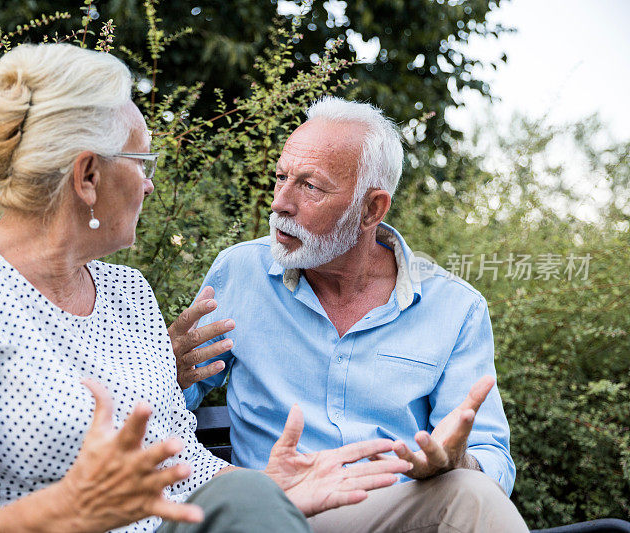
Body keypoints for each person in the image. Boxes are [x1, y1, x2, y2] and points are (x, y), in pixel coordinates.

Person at [0, 45, 412, 533]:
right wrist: (70, 510)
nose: (150, 183)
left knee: (249, 497)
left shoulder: (128, 292)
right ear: (88, 177)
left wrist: (269, 486)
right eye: (142, 162)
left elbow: (183, 463)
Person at [172, 97, 529, 531]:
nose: (280, 203)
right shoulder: (240, 272)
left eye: (310, 186)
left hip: (391, 515)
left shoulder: (455, 308)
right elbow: (155, 410)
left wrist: (458, 462)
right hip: (275, 513)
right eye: (281, 178)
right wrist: (167, 366)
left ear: (371, 209)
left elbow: (492, 458)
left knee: (470, 492)